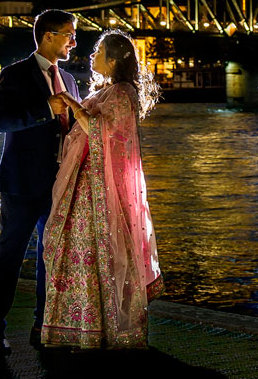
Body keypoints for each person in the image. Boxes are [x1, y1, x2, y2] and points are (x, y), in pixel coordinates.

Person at [41, 30, 163, 348]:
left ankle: (101, 326)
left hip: (101, 189)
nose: (92, 57)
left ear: (112, 60)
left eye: (98, 52)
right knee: (80, 254)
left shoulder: (122, 93)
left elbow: (104, 133)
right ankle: (83, 324)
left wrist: (73, 105)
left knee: (101, 254)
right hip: (86, 185)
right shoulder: (109, 91)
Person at [0, 9, 81, 354]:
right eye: (69, 34)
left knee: (51, 259)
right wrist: (45, 109)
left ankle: (44, 324)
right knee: (9, 255)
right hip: (22, 183)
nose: (73, 41)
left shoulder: (69, 81)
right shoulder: (15, 74)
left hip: (59, 183)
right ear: (49, 36)